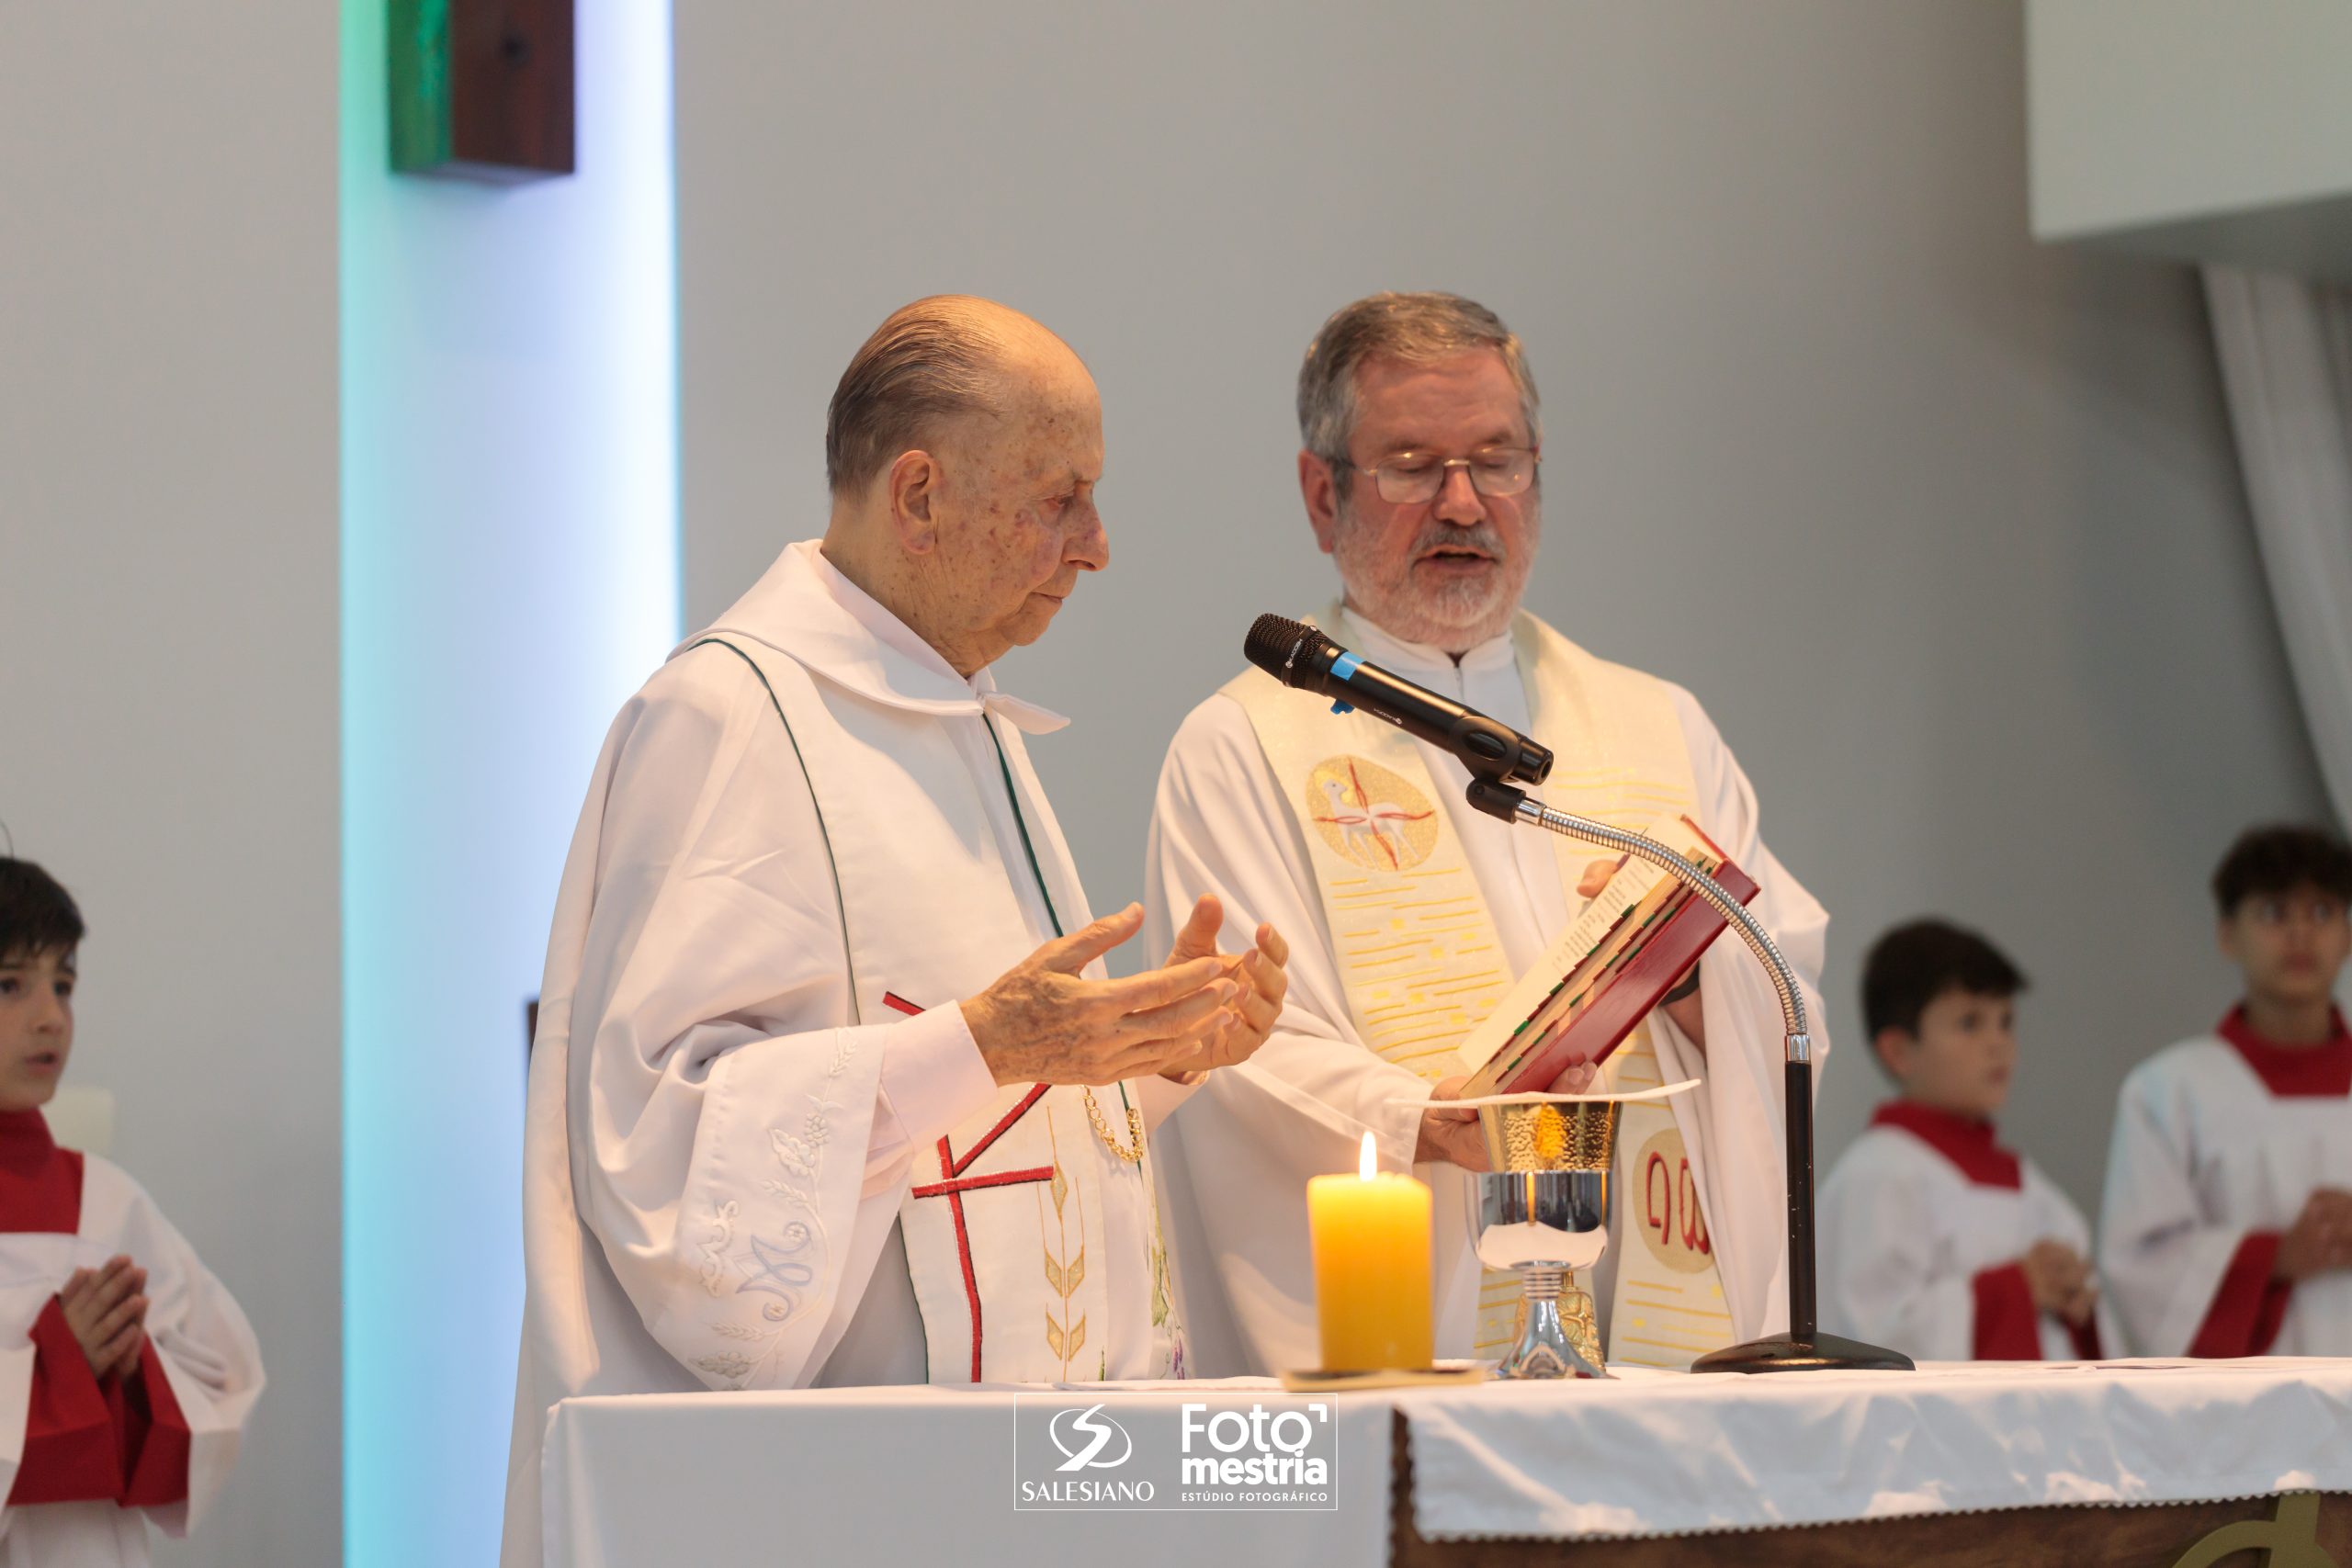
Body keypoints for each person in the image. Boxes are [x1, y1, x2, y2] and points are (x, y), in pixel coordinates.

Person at [503, 297, 1290, 1563]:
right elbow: (658, 1142)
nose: (1096, 545)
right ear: (918, 492)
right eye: (1061, 495)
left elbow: (972, 1149)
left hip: (1023, 1478)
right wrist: (986, 1042)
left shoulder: (957, 716)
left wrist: (1149, 1054)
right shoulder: (728, 714)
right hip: (838, 1497)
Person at [1145, 291, 1826, 1372]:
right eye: (1412, 465)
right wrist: (1420, 1118)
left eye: (1496, 461)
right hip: (1417, 1355)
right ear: (1323, 497)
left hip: (1653, 1368)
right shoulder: (1240, 745)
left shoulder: (1659, 725)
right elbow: (1237, 1047)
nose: (1462, 503)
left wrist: (1695, 984)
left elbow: (1784, 997)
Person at [0, 858, 263, 1565]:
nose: (50, 1014)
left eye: (64, 984)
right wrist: (58, 1363)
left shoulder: (108, 1204)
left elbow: (222, 1387)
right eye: (10, 985)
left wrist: (129, 1372)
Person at [2100, 825, 2352, 1357]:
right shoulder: (2168, 1092)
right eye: (2274, 913)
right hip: (2247, 1420)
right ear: (2227, 934)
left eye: (2323, 912)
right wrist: (2277, 1258)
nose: (2301, 934)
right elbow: (2138, 1270)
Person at [1817, 919, 2110, 1361]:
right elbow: (1868, 1344)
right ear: (1898, 1051)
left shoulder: (2036, 1187)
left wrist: (2078, 1307)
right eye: (1970, 1023)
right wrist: (2016, 1291)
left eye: (2006, 1022)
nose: (1999, 1044)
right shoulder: (1875, 1177)